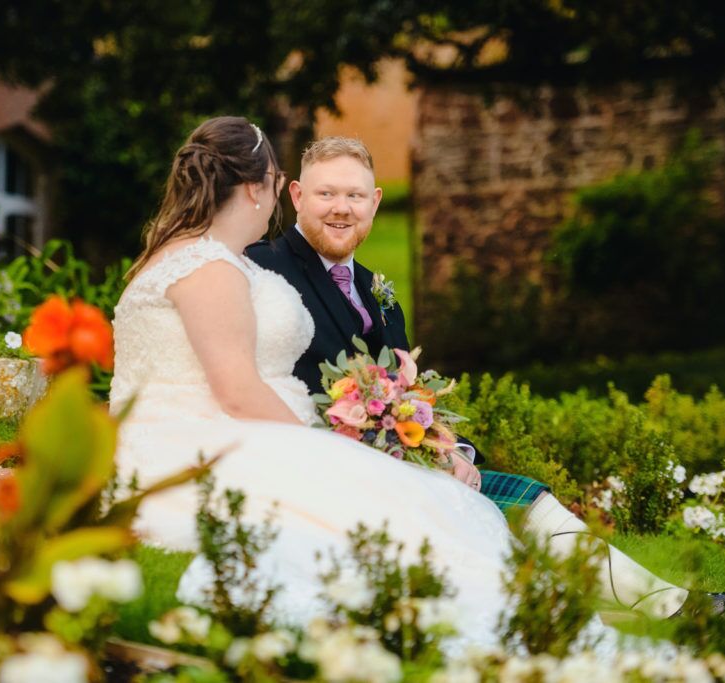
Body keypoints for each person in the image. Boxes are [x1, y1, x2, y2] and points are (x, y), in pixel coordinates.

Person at [245, 135, 725, 620]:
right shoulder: (265, 270)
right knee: (515, 514)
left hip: (406, 463)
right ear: (296, 195)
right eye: (326, 194)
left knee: (530, 500)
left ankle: (678, 609)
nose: (341, 209)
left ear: (375, 202)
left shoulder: (376, 288)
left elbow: (402, 394)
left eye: (354, 195)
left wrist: (450, 446)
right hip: (332, 471)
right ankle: (677, 613)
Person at [110, 116, 599, 649]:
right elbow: (236, 389)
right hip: (226, 438)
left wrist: (434, 439)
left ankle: (606, 600)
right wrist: (333, 452)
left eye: (354, 195)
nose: (338, 206)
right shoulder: (222, 266)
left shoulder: (228, 264)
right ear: (264, 189)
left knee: (475, 507)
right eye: (298, 188)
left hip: (260, 432)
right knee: (421, 520)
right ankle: (530, 620)